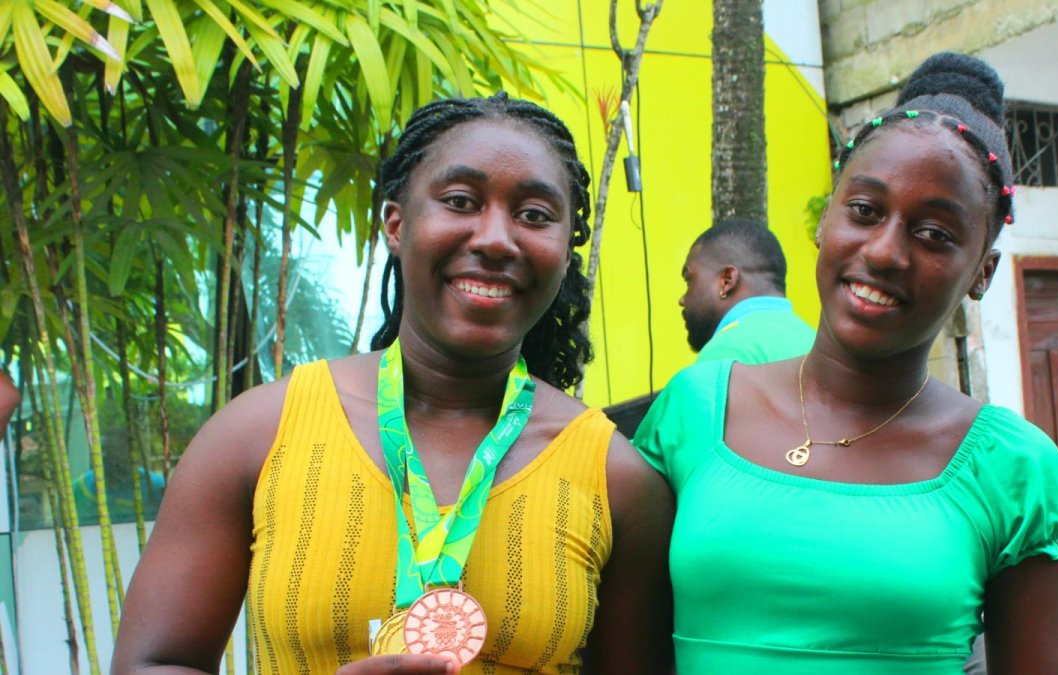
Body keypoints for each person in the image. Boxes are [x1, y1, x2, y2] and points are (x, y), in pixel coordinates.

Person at [112, 93, 674, 675]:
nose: (495, 239)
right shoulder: (256, 435)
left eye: (534, 215)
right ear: (396, 225)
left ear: (563, 252)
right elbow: (150, 664)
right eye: (460, 201)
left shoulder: (618, 480)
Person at [634, 52, 1058, 674]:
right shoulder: (694, 410)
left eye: (934, 234)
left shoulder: (1014, 471)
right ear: (826, 218)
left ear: (982, 271)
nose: (883, 252)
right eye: (865, 211)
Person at [679, 218, 815, 363]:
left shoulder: (726, 351)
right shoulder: (814, 342)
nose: (682, 300)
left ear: (727, 280)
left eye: (689, 281)